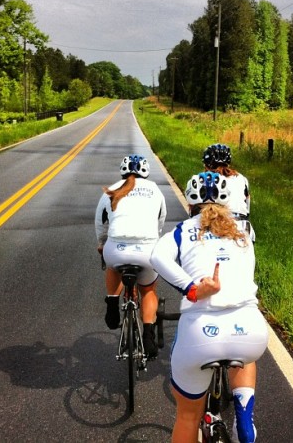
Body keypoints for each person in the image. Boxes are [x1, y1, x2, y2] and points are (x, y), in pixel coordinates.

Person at [150, 171, 268, 443]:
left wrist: (191, 288)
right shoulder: (244, 232)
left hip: (202, 332)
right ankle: (243, 413)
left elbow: (156, 256)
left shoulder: (183, 230)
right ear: (227, 204)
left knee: (188, 416)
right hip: (249, 329)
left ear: (190, 204)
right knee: (245, 359)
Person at [95, 154, 167, 357]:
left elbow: (101, 223)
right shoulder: (155, 190)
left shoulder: (112, 189)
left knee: (111, 266)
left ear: (122, 171)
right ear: (146, 171)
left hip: (117, 247)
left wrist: (102, 244)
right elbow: (160, 220)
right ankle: (148, 335)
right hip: (146, 249)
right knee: (148, 290)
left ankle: (111, 302)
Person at [202, 143, 254, 240]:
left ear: (207, 165)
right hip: (243, 224)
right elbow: (247, 203)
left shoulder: (208, 180)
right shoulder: (241, 178)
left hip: (219, 223)